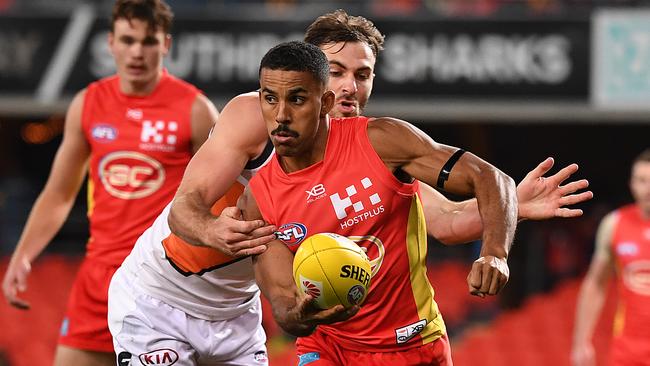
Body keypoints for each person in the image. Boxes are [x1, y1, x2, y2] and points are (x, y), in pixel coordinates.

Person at [107, 9, 591, 366]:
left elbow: (444, 221)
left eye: (362, 75)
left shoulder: (372, 147)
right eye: (335, 72)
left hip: (236, 310)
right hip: (162, 294)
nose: (349, 89)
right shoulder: (254, 117)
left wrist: (511, 210)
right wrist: (214, 231)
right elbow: (184, 207)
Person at [240, 40, 517, 365]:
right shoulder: (258, 198)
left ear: (325, 102)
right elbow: (284, 305)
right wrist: (303, 315)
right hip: (327, 349)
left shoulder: (381, 142)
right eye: (270, 99)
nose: (281, 115)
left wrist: (495, 254)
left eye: (297, 100)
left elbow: (490, 178)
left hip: (412, 345)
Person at [1, 1, 219, 365]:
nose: (137, 51)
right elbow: (58, 194)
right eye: (128, 40)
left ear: (165, 45)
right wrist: (23, 255)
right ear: (111, 43)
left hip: (161, 280)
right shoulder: (88, 104)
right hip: (99, 277)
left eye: (148, 41)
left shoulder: (196, 110)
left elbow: (220, 195)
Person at [571, 149, 650, 366]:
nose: (648, 189)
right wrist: (581, 342)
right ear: (631, 183)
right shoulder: (614, 224)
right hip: (628, 350)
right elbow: (596, 283)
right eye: (642, 180)